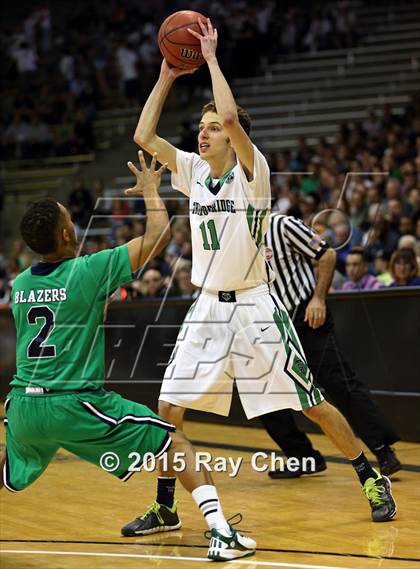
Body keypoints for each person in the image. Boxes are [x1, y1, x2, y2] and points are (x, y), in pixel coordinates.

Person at [125, 17, 396, 536]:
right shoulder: (195, 173)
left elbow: (228, 112)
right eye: (199, 129)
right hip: (206, 306)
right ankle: (165, 506)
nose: (202, 134)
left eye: (210, 129)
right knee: (167, 410)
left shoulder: (255, 173)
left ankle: (369, 476)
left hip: (254, 305)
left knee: (311, 404)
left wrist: (208, 59)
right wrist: (165, 76)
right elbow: (143, 135)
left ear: (231, 137)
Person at [1, 153, 255, 562]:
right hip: (72, 401)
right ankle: (221, 532)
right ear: (67, 235)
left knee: (9, 465)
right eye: (70, 220)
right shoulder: (88, 269)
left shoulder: (21, 283)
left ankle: (173, 515)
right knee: (174, 442)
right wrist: (152, 189)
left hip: (23, 407)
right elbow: (158, 235)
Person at [261, 214, 401, 478]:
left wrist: (318, 299)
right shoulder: (237, 235)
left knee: (339, 383)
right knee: (263, 394)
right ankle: (303, 457)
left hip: (306, 314)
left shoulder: (283, 224)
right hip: (271, 324)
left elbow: (327, 256)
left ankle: (383, 450)